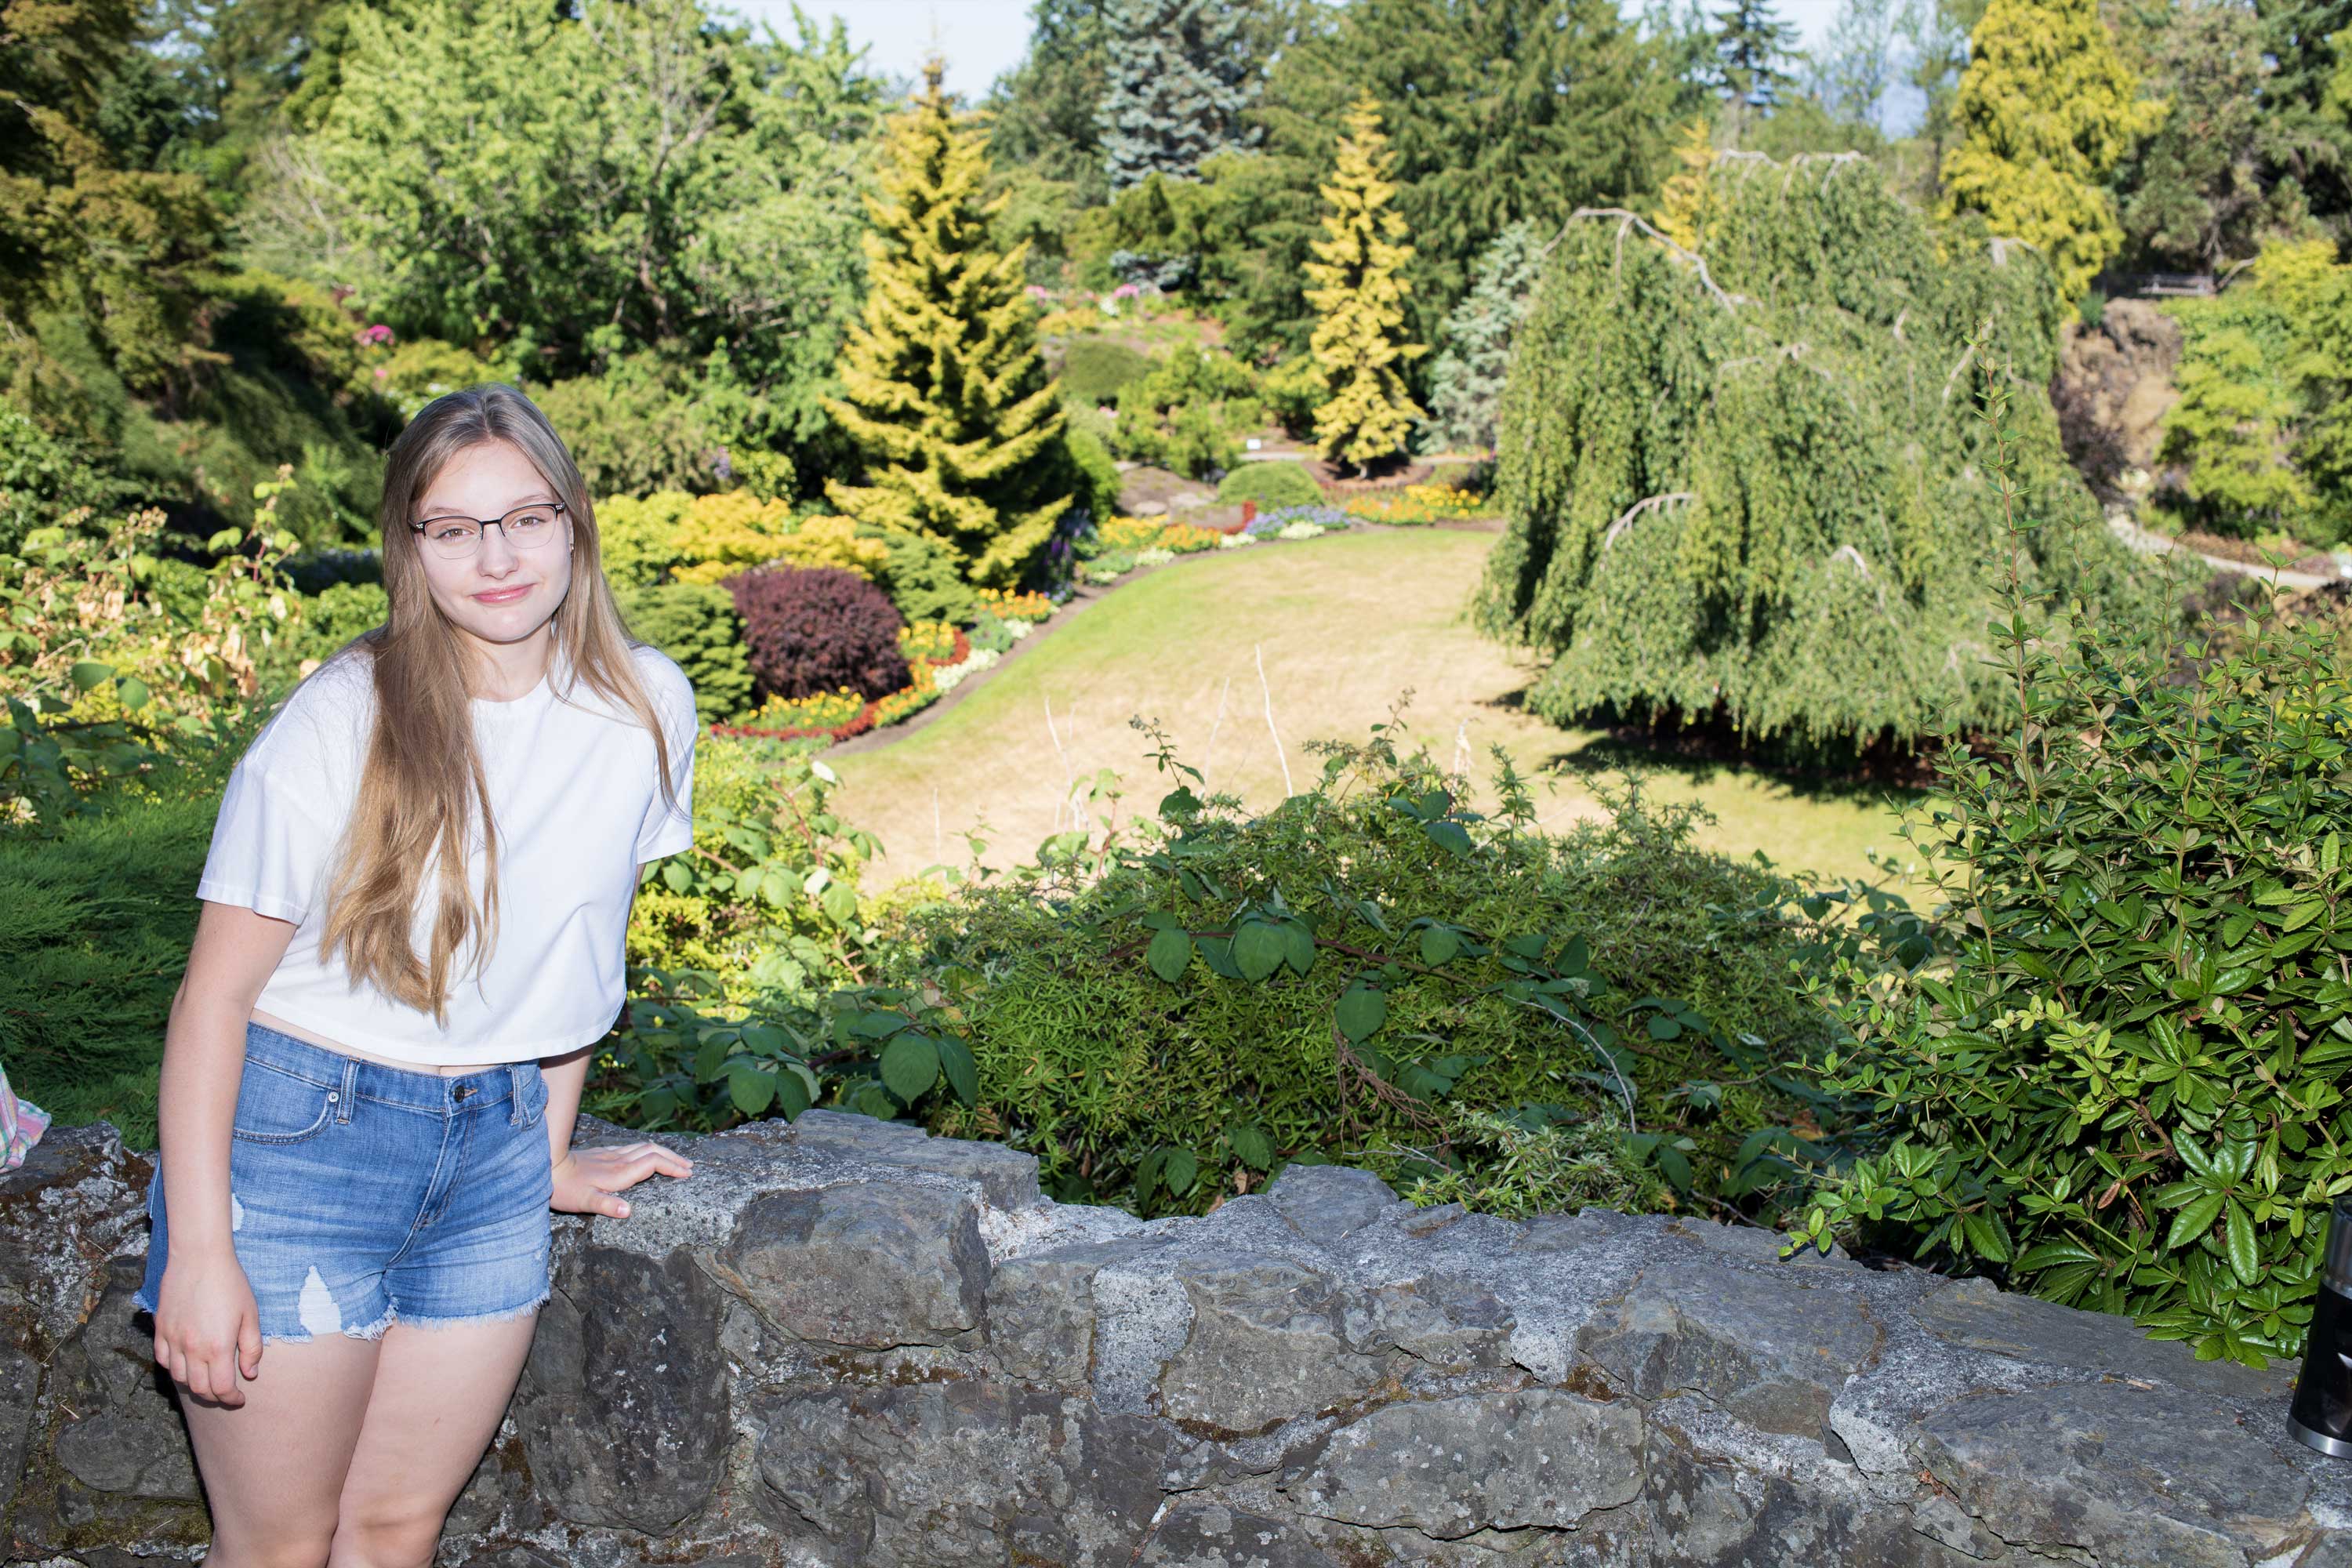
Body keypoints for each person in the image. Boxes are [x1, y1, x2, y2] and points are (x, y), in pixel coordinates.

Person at [134, 385, 701, 1566]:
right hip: (300, 1149)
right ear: (411, 548)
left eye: (526, 519)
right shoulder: (343, 719)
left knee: (396, 1530)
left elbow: (576, 948)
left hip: (494, 1157)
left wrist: (547, 1151)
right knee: (280, 1547)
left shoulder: (647, 705)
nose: (496, 559)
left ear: (574, 523)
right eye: (454, 528)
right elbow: (212, 1000)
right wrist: (200, 1252)